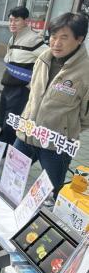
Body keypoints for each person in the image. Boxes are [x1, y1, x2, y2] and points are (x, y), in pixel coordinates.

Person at [14, 13, 89, 196]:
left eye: (64, 37)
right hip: (26, 134)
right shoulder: (43, 59)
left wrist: (64, 128)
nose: (56, 43)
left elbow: (86, 117)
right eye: (54, 36)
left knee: (49, 194)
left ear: (79, 39)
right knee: (10, 180)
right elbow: (34, 94)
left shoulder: (85, 71)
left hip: (56, 145)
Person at [0, 6, 48, 145]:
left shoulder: (34, 39)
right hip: (7, 86)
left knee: (10, 124)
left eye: (16, 20)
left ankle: (7, 150)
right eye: (10, 20)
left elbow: (49, 59)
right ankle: (3, 148)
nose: (12, 23)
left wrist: (33, 83)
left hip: (20, 90)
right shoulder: (13, 37)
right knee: (3, 120)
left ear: (26, 21)